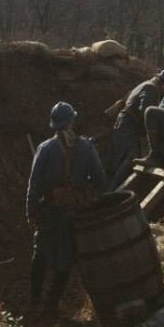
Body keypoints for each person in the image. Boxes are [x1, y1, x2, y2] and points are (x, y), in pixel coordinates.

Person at [26, 101, 105, 315]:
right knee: (66, 259)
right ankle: (51, 306)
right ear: (72, 122)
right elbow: (100, 179)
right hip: (74, 214)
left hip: (49, 211)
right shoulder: (87, 147)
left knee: (40, 256)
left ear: (53, 124)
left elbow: (33, 186)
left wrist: (31, 213)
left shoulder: (45, 148)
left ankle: (35, 304)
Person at [108, 71, 164, 190]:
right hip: (127, 126)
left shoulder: (147, 84)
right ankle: (112, 192)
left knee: (123, 160)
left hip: (124, 124)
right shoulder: (151, 89)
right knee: (131, 159)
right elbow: (146, 114)